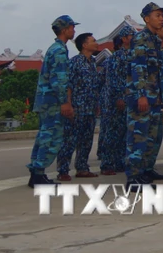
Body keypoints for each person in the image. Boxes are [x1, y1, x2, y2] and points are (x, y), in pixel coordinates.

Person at [26, 15, 77, 187]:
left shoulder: (54, 48)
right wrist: (65, 102)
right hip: (53, 102)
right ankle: (39, 174)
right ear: (64, 30)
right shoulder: (59, 51)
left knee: (43, 137)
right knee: (51, 138)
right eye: (71, 27)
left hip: (45, 101)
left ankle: (36, 173)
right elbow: (59, 79)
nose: (74, 30)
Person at [125, 2, 163, 190]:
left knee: (150, 137)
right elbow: (138, 69)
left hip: (153, 97)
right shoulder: (141, 39)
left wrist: (158, 95)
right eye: (157, 15)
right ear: (146, 18)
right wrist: (141, 95)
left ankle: (144, 171)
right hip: (141, 97)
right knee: (138, 137)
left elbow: (157, 72)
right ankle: (133, 178)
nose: (162, 18)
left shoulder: (155, 40)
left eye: (162, 15)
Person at [57, 32, 101, 181]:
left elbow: (95, 86)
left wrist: (96, 104)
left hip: (90, 108)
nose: (96, 43)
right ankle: (63, 170)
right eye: (93, 41)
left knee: (87, 140)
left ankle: (82, 168)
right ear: (84, 45)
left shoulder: (93, 62)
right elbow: (68, 85)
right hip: (77, 107)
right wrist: (67, 104)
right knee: (70, 140)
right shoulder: (75, 62)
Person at [99, 26, 133, 175]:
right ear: (124, 39)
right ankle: (107, 164)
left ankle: (120, 162)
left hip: (130, 100)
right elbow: (113, 80)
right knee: (113, 133)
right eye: (131, 35)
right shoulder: (116, 57)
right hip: (116, 101)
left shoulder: (134, 55)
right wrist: (119, 97)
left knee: (125, 133)